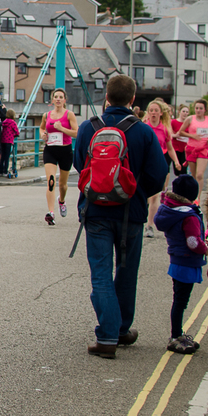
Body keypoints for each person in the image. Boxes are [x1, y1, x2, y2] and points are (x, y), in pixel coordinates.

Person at [73, 74, 168, 359]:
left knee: (101, 274)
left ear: (106, 98)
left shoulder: (90, 128)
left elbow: (80, 164)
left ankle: (108, 336)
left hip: (96, 211)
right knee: (126, 273)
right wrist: (136, 193)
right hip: (131, 212)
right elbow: (159, 174)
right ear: (133, 99)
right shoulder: (144, 131)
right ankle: (120, 329)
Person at [153, 175, 208, 354]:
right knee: (180, 302)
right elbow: (193, 242)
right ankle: (175, 336)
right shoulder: (189, 215)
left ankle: (177, 334)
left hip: (177, 260)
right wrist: (205, 248)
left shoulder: (170, 210)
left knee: (178, 300)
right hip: (186, 261)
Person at [144, 99, 183, 237]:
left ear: (160, 113)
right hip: (145, 165)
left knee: (155, 196)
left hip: (159, 165)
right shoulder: (144, 127)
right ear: (148, 113)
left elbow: (170, 148)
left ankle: (149, 226)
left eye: (156, 110)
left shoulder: (164, 129)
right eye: (151, 110)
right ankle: (144, 217)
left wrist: (176, 162)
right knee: (145, 196)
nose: (153, 113)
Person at [40, 88, 78, 225]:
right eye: (56, 97)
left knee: (63, 184)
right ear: (52, 99)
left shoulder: (69, 115)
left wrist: (62, 128)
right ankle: (51, 213)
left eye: (60, 97)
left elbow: (76, 133)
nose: (58, 99)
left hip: (65, 151)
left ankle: (61, 201)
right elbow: (41, 128)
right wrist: (42, 134)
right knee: (51, 181)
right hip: (50, 150)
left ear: (64, 100)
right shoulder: (47, 115)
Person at [179, 99, 208, 194]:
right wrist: (192, 135)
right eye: (197, 108)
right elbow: (181, 132)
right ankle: (193, 196)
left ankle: (198, 197)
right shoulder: (190, 119)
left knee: (199, 175)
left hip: (203, 149)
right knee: (193, 175)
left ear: (205, 110)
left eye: (201, 108)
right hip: (191, 149)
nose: (198, 110)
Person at [0, 109, 20, 178]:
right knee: (7, 156)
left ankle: (1, 171)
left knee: (2, 156)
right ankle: (5, 171)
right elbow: (17, 132)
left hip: (2, 140)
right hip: (9, 141)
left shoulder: (4, 122)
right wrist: (13, 136)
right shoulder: (13, 123)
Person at [171, 105, 191, 177]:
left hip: (186, 148)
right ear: (179, 112)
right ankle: (178, 182)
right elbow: (170, 134)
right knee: (177, 169)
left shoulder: (189, 124)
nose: (185, 113)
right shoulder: (173, 122)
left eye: (187, 112)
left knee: (184, 169)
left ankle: (183, 183)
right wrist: (176, 135)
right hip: (176, 147)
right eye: (183, 111)